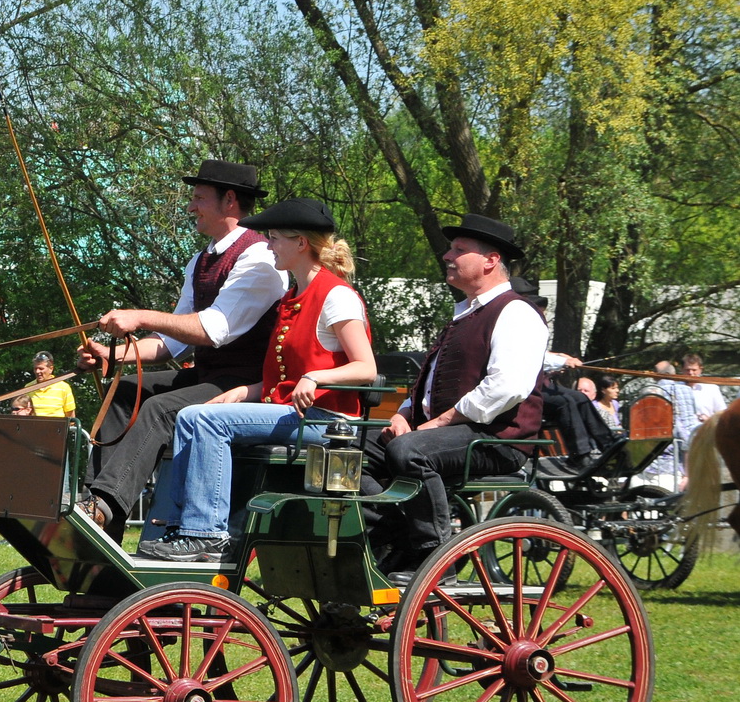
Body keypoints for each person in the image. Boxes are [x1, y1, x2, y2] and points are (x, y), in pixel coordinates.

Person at [140, 199, 375, 561]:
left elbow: (366, 368)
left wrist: (316, 376)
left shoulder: (336, 296)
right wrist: (241, 392)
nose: (267, 245)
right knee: (194, 413)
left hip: (329, 423)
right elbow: (283, 380)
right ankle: (176, 526)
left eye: (274, 238)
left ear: (301, 243)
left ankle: (208, 534)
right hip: (291, 415)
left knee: (202, 419)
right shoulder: (289, 299)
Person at [75, 160, 288, 536]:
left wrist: (139, 315)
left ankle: (102, 508)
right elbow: (173, 342)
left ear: (230, 201)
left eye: (199, 198)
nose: (191, 207)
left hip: (246, 383)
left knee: (159, 409)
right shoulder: (201, 260)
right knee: (124, 390)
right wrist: (112, 355)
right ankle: (98, 510)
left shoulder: (260, 259)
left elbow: (213, 329)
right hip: (208, 375)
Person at [370, 215, 549, 584]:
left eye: (459, 250)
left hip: (497, 439)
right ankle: (391, 535)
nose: (447, 255)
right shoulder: (465, 314)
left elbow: (508, 386)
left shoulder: (516, 312)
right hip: (450, 433)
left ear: (490, 260)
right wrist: (405, 414)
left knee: (409, 451)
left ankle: (434, 554)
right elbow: (430, 382)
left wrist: (442, 420)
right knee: (354, 446)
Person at [25, 351, 76, 418]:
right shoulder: (28, 388)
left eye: (41, 368)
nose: (37, 372)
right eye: (35, 368)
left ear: (51, 369)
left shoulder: (63, 387)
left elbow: (71, 417)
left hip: (57, 427)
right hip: (35, 427)